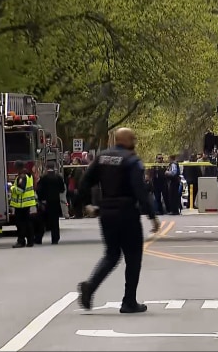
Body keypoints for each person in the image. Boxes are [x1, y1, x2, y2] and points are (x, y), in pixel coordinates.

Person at [77, 127, 161, 313]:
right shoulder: (132, 161)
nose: (136, 142)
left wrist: (86, 204)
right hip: (127, 213)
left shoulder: (102, 158)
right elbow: (140, 190)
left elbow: (84, 182)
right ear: (128, 141)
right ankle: (129, 301)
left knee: (111, 254)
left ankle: (90, 287)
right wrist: (152, 216)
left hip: (106, 212)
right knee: (133, 258)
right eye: (134, 139)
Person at [36, 161, 66, 245]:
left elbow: (39, 190)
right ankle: (55, 239)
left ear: (46, 168)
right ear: (54, 167)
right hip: (55, 202)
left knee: (42, 221)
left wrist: (41, 199)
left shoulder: (43, 178)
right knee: (55, 221)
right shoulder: (58, 177)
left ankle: (38, 239)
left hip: (45, 203)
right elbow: (62, 189)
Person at [10, 160, 37, 248]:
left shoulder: (22, 177)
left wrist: (11, 187)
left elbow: (20, 190)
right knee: (28, 223)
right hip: (28, 203)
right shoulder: (28, 175)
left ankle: (21, 241)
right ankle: (30, 241)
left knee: (20, 224)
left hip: (22, 204)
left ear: (18, 167)